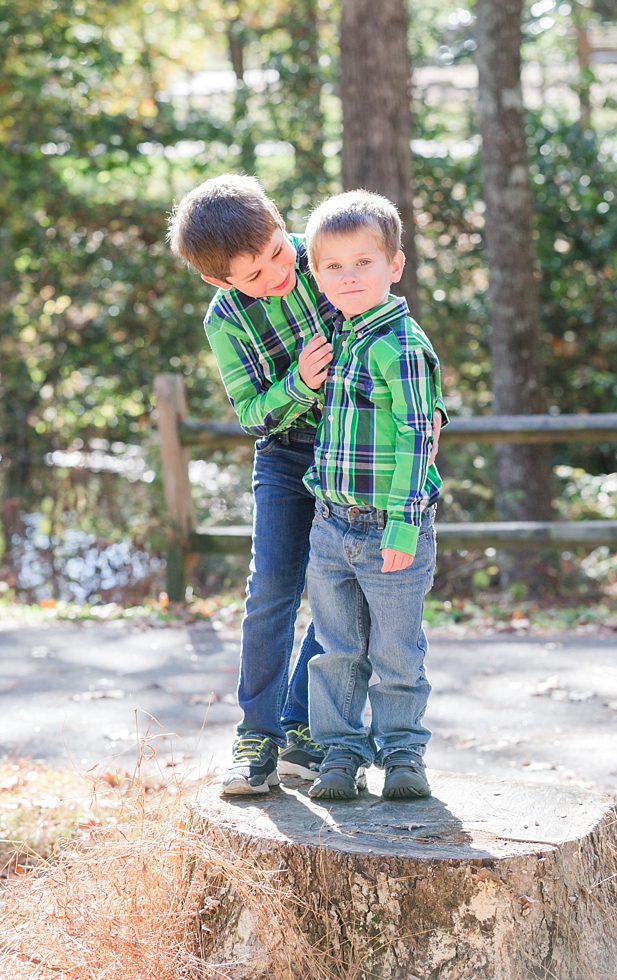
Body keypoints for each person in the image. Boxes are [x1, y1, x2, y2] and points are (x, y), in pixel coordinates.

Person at [168, 174, 339, 795]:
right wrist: (300, 383)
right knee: (270, 591)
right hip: (286, 456)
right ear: (222, 281)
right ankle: (256, 735)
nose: (277, 274)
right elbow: (249, 412)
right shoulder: (225, 319)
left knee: (337, 589)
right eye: (255, 275)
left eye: (276, 252)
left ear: (279, 222)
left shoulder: (323, 254)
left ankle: (304, 727)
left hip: (353, 453)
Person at [302, 190, 448, 801]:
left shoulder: (401, 345)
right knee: (334, 649)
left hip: (391, 527)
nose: (348, 276)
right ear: (316, 274)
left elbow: (419, 438)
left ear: (395, 265)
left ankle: (403, 753)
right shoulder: (339, 339)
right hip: (331, 524)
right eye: (333, 266)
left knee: (395, 647)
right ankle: (339, 752)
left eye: (363, 262)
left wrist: (404, 526)